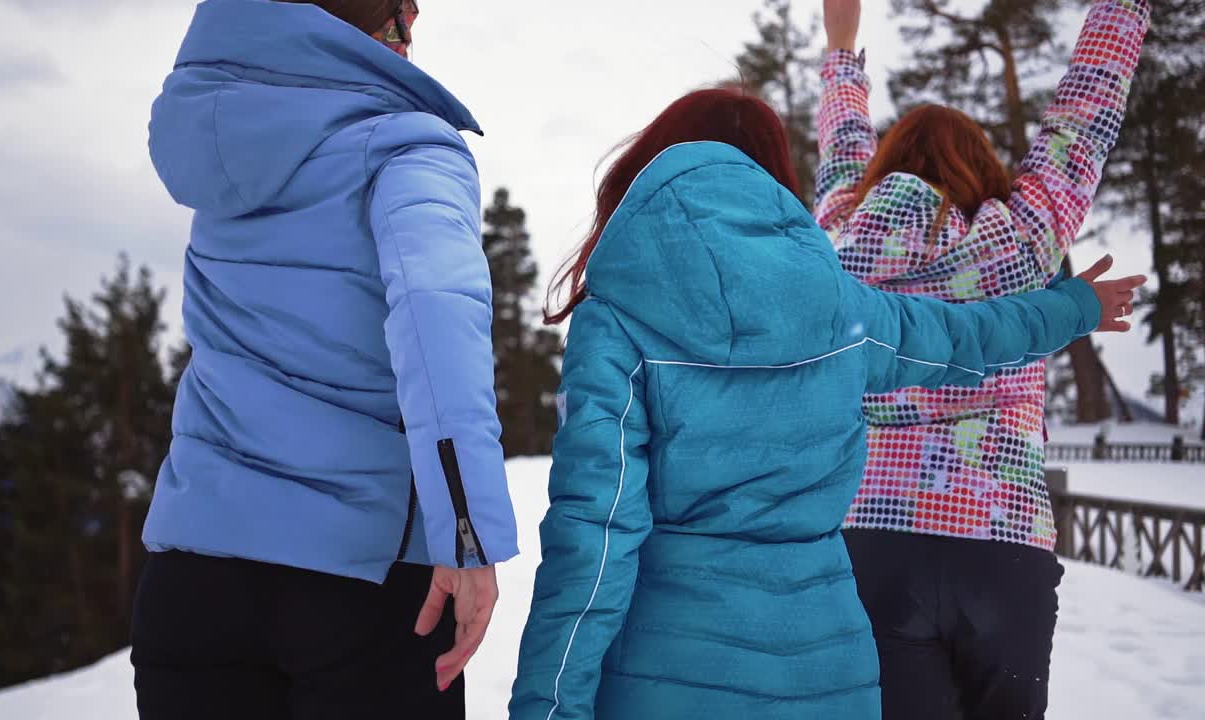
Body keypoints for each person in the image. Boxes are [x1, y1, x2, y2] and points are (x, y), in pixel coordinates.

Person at [507, 86, 1145, 720]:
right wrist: (1075, 306)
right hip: (826, 678)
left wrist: (547, 704)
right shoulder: (838, 306)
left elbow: (592, 535)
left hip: (664, 675)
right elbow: (966, 337)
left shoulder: (617, 319)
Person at [132, 1, 517, 718]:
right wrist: (467, 536)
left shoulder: (227, 142)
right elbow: (436, 318)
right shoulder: (407, 148)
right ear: (363, 29)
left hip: (190, 588)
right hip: (356, 596)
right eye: (402, 20)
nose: (409, 43)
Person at [815, 1, 1150, 717]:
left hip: (872, 542)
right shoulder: (1026, 237)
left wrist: (842, 48)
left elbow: (843, 146)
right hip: (1005, 544)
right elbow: (1084, 113)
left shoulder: (843, 233)